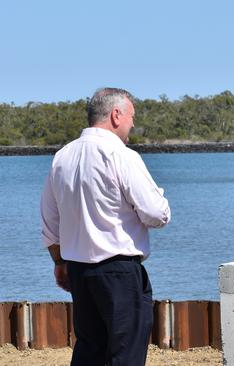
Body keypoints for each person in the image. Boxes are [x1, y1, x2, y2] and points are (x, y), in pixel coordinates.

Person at [40, 88, 171, 365]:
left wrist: (59, 263)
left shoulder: (62, 157)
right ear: (116, 115)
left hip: (79, 271)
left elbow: (50, 222)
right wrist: (159, 197)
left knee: (89, 353)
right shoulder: (121, 155)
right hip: (119, 272)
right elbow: (156, 214)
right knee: (126, 355)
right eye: (131, 116)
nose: (133, 124)